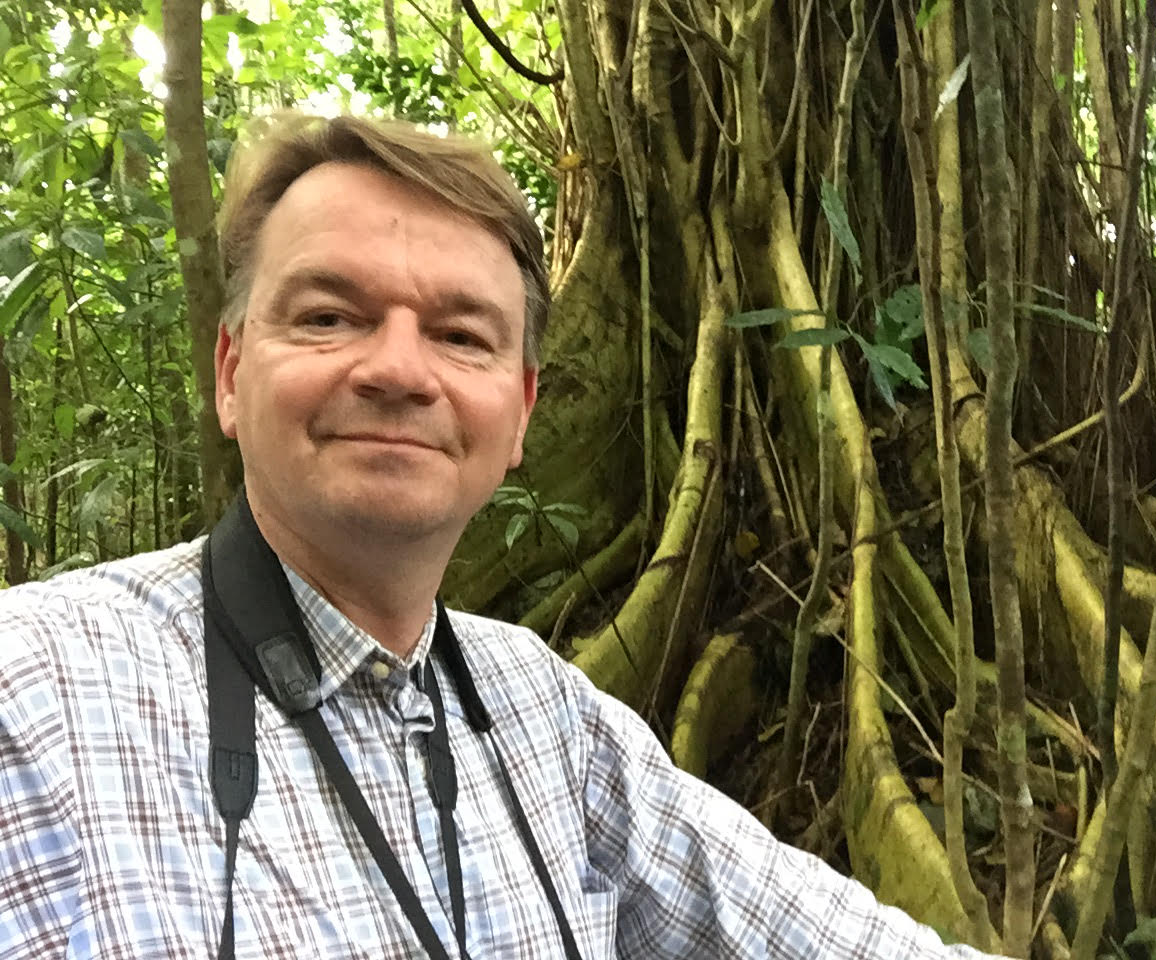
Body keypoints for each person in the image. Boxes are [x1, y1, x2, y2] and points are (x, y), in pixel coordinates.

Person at [0, 113, 1002, 959]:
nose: (399, 371)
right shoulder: (39, 695)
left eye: (460, 335)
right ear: (230, 373)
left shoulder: (544, 714)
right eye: (330, 317)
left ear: (521, 412)